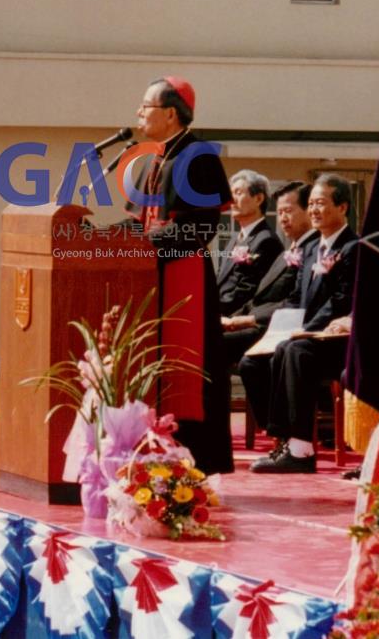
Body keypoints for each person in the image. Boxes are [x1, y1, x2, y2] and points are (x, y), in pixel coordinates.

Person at [122, 76, 234, 474]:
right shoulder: (154, 156)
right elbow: (142, 219)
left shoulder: (198, 156)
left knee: (188, 372)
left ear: (170, 113)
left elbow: (201, 227)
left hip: (184, 280)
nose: (138, 113)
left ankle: (196, 459)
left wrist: (147, 244)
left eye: (145, 106)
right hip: (153, 279)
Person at [246, 174, 359, 474]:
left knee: (295, 351)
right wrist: (282, 326)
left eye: (321, 203)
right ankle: (285, 441)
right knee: (274, 351)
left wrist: (308, 328)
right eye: (311, 204)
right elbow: (297, 297)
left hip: (339, 338)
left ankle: (302, 449)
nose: (314, 211)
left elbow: (341, 301)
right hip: (308, 334)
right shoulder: (310, 250)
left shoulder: (352, 248)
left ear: (343, 207)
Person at [221, 181, 317, 369]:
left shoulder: (314, 251)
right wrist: (231, 320)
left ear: (309, 210)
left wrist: (245, 320)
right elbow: (259, 296)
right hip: (254, 323)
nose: (282, 218)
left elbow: (295, 301)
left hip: (275, 327)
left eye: (288, 211)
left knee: (214, 344)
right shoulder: (286, 253)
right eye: (280, 212)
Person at [217, 170, 280, 316]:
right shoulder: (234, 239)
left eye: (238, 192)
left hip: (239, 319)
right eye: (231, 193)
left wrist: (210, 310)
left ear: (258, 199)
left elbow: (246, 291)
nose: (232, 200)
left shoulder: (266, 241)